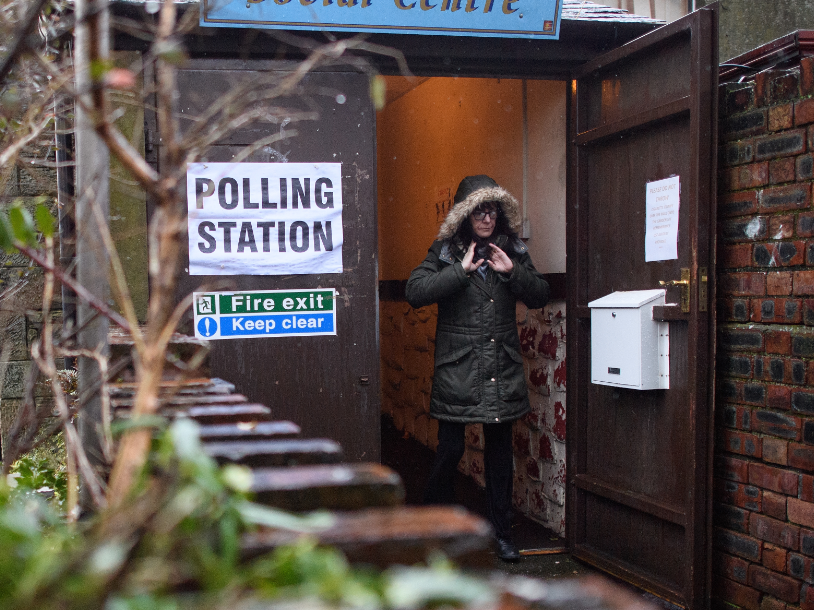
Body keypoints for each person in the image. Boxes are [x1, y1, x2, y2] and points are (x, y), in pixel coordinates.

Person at [406, 174, 550, 562]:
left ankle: (503, 535)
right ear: (465, 216)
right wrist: (461, 271)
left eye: (492, 210)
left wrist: (512, 272)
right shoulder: (447, 251)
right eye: (478, 211)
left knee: (500, 455)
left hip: (499, 367)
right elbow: (414, 292)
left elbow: (539, 294)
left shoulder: (512, 249)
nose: (486, 218)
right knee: (450, 449)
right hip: (459, 367)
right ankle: (436, 524)